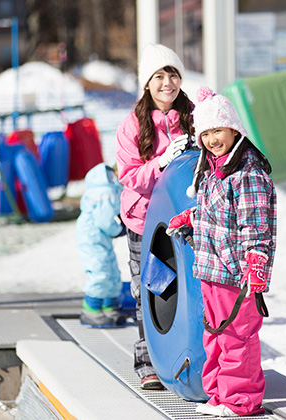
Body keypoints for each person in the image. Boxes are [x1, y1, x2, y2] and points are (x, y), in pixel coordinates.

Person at [167, 86, 277, 417]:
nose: (213, 139)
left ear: (234, 129)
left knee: (237, 336)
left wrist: (256, 262)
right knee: (214, 334)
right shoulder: (213, 168)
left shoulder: (247, 172)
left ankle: (241, 400)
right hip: (211, 269)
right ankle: (219, 394)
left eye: (218, 130)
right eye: (206, 132)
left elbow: (256, 224)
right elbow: (216, 214)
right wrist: (192, 217)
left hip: (236, 272)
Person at [115, 43, 194, 390]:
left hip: (186, 220)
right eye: (159, 76)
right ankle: (149, 361)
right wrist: (162, 162)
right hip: (145, 224)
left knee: (191, 288)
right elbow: (129, 176)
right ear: (147, 83)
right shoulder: (132, 125)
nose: (167, 82)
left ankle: (188, 357)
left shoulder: (193, 115)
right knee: (153, 287)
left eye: (173, 74)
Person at [75, 163, 126, 328]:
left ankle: (108, 306)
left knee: (111, 269)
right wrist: (118, 229)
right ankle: (91, 309)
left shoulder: (110, 186)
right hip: (92, 236)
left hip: (100, 236)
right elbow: (104, 219)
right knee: (100, 270)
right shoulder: (106, 190)